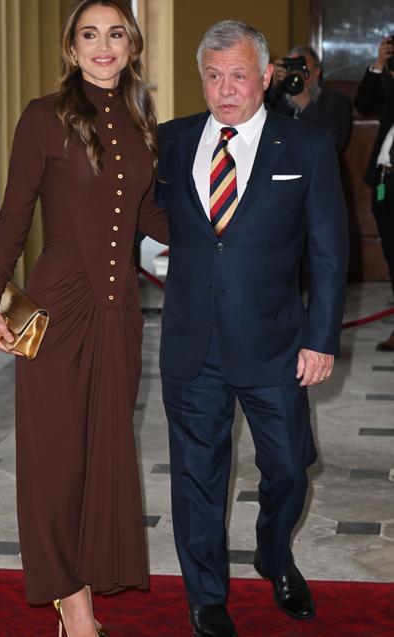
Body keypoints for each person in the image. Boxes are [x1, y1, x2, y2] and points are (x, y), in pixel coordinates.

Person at [0, 1, 168, 636]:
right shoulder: (43, 116)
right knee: (56, 456)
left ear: (132, 43)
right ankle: (72, 600)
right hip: (55, 311)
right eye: (90, 35)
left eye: (116, 34)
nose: (103, 46)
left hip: (119, 315)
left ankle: (87, 576)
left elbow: (146, 216)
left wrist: (226, 231)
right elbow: (13, 215)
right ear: (71, 48)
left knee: (104, 452)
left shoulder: (143, 118)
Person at [157, 21, 348, 637]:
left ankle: (273, 551)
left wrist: (321, 337)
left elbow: (327, 252)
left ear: (265, 76)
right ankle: (206, 597)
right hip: (192, 342)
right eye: (213, 75)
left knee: (290, 465)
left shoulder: (308, 146)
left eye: (239, 74)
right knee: (197, 477)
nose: (225, 88)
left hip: (276, 343)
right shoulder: (172, 140)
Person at [355, 36, 394, 351]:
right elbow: (365, 104)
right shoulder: (388, 78)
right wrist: (380, 65)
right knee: (392, 255)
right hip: (384, 181)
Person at [266, 45, 352, 155]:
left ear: (317, 72)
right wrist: (274, 86)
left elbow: (335, 143)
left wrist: (307, 106)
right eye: (292, 70)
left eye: (304, 71)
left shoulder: (337, 101)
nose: (298, 77)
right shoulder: (280, 100)